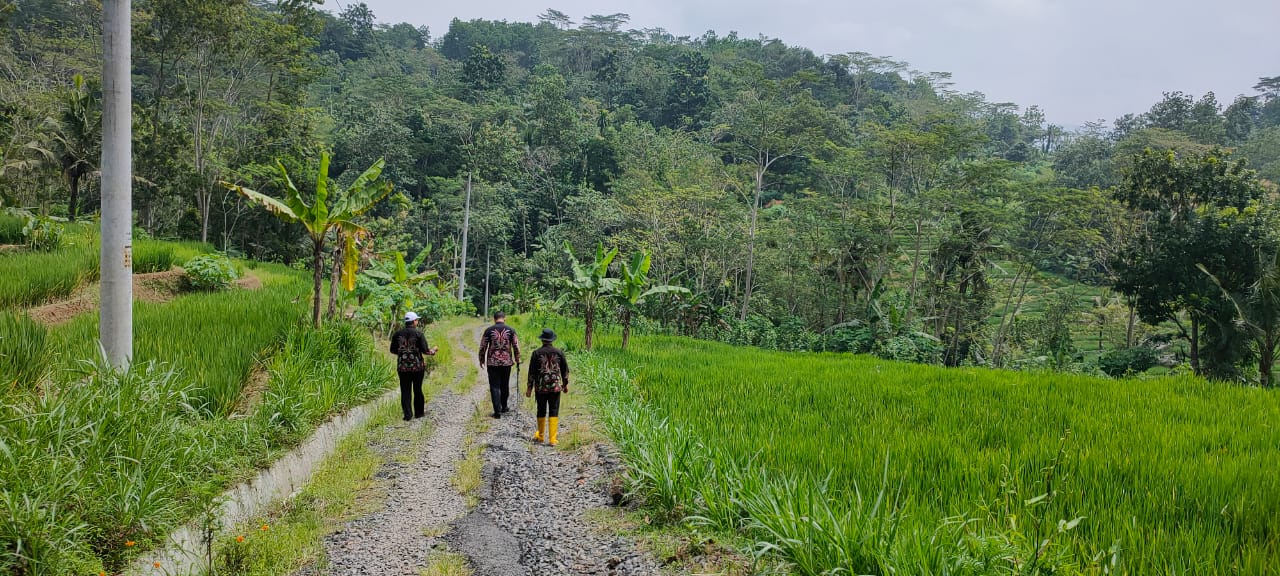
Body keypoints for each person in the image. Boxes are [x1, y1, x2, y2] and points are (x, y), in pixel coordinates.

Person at [525, 328, 569, 446]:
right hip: (555, 387)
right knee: (554, 410)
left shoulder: (536, 353)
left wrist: (529, 388)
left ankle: (540, 436)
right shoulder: (559, 352)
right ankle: (552, 440)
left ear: (542, 340)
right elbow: (565, 371)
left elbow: (532, 373)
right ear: (552, 340)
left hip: (541, 387)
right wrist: (565, 385)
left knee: (541, 409)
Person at [390, 311, 436, 421]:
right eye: (417, 320)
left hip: (402, 368)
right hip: (417, 367)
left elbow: (392, 350)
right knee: (417, 389)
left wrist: (404, 354)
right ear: (414, 321)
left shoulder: (397, 334)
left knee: (405, 390)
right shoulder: (419, 334)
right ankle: (419, 413)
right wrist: (433, 351)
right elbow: (425, 350)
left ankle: (407, 415)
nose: (417, 322)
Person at [478, 311, 520, 418]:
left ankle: (497, 411)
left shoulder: (489, 330)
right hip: (506, 362)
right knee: (505, 384)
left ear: (494, 319)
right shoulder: (511, 330)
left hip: (493, 363)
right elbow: (516, 345)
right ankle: (504, 406)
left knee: (494, 386)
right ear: (504, 318)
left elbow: (483, 346)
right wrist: (517, 358)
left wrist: (481, 359)